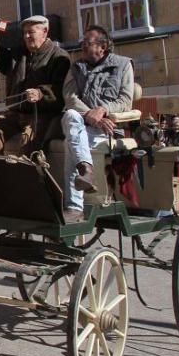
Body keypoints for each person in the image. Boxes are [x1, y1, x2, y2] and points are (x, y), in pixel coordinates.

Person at [60, 25, 135, 223]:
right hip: (83, 124)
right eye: (82, 43)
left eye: (88, 43)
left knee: (72, 144)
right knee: (70, 116)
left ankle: (75, 207)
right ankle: (87, 170)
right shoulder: (76, 68)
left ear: (103, 46)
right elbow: (70, 97)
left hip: (108, 130)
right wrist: (90, 115)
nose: (83, 46)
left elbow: (126, 101)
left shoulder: (123, 65)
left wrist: (103, 111)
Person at [0, 8, 71, 156]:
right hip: (15, 114)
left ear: (45, 31)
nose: (27, 36)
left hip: (42, 116)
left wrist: (41, 94)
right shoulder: (18, 53)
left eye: (31, 32)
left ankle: (28, 175)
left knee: (27, 139)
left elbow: (62, 90)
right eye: (25, 32)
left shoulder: (59, 56)